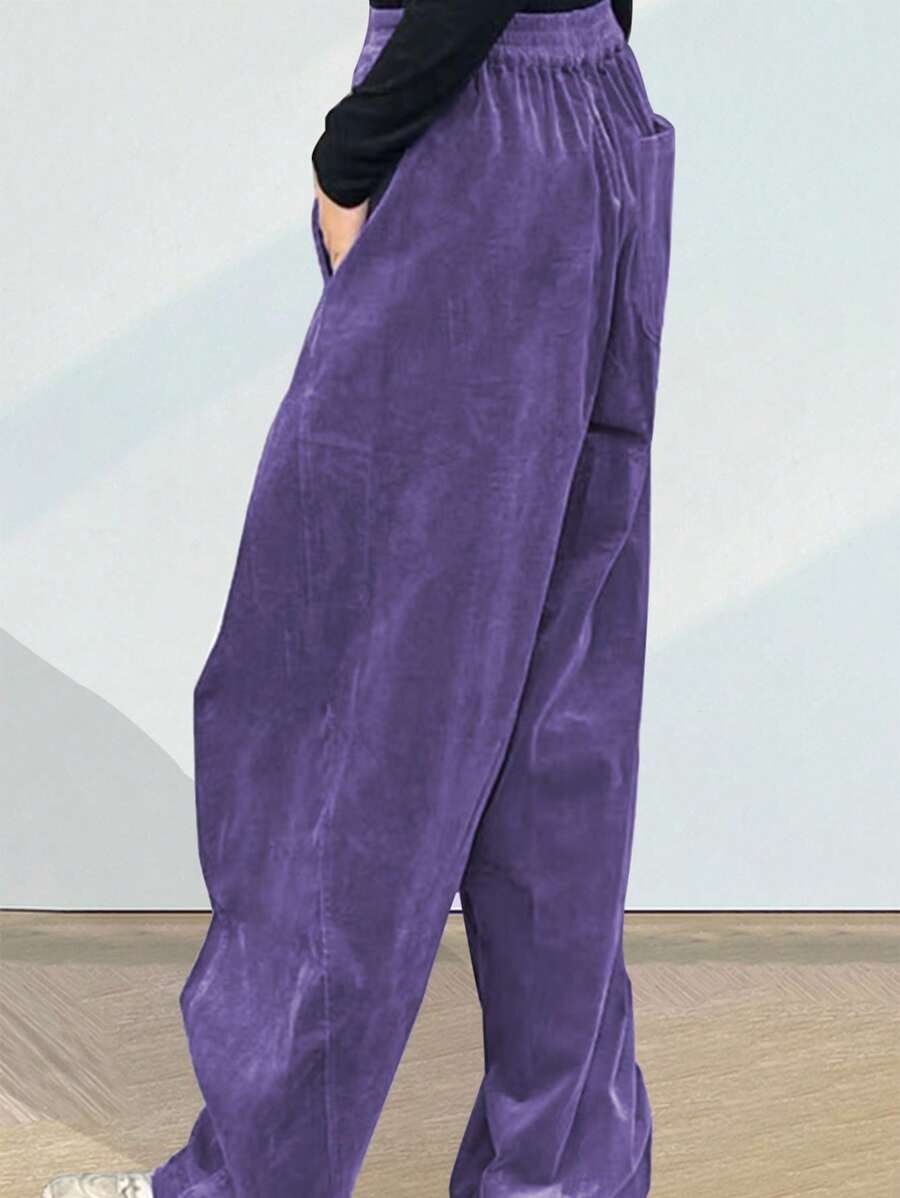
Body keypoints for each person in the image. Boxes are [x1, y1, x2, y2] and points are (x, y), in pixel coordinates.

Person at [43, 0, 673, 1195]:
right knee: (553, 731)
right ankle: (565, 1177)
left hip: (474, 129)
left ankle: (252, 1186)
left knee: (349, 720)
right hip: (594, 106)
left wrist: (360, 146)